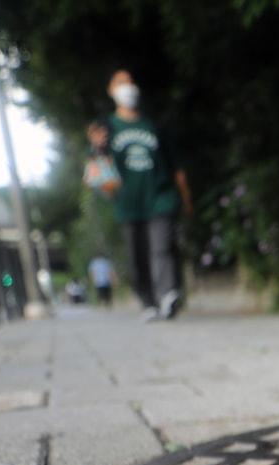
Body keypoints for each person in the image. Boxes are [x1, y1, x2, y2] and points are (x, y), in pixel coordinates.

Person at [86, 70, 192, 322]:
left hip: (160, 196)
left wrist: (186, 198)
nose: (128, 86)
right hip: (128, 202)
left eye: (131, 80)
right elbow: (98, 172)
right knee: (138, 255)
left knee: (162, 247)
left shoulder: (153, 125)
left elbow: (175, 166)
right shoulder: (106, 128)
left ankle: (167, 294)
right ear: (111, 91)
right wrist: (95, 147)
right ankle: (148, 302)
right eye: (121, 82)